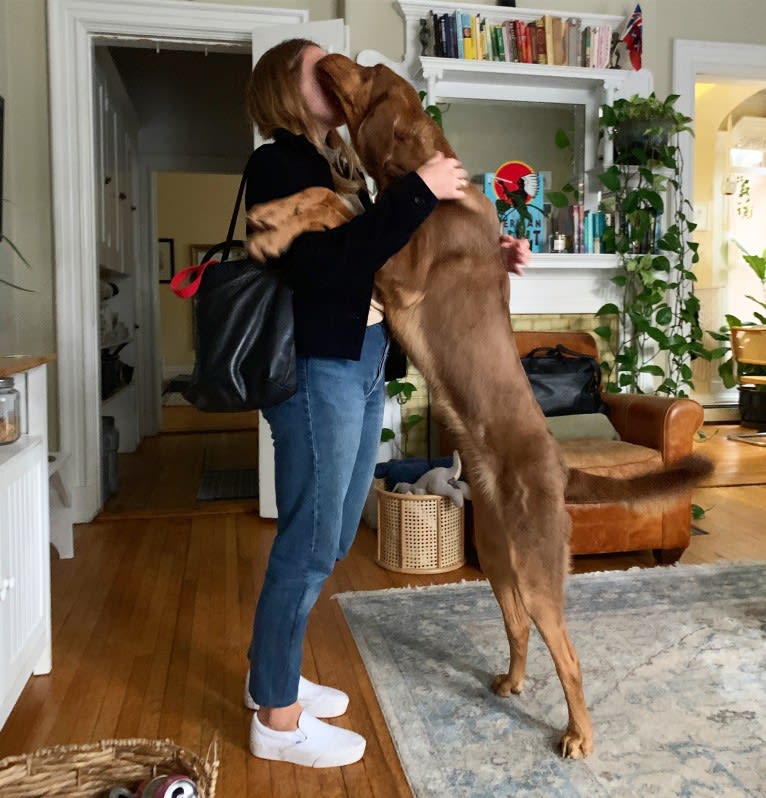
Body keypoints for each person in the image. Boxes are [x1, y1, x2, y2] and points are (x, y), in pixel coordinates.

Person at [242, 38, 529, 770]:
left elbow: (392, 259)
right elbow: (324, 268)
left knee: (335, 539)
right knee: (310, 542)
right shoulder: (277, 162)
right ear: (286, 85)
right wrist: (418, 190)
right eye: (317, 64)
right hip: (317, 369)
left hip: (365, 364)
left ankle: (270, 679)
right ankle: (276, 719)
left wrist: (489, 257)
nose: (334, 70)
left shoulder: (339, 165)